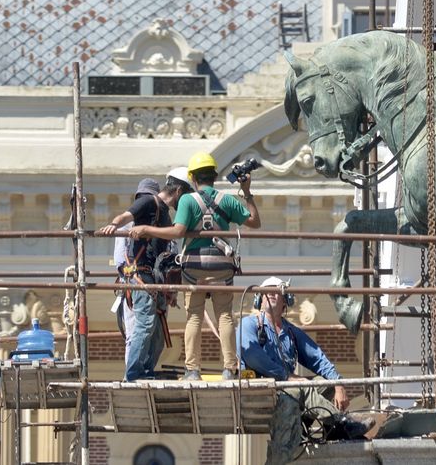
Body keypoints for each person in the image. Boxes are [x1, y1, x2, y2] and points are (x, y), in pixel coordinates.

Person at [130, 151, 261, 380]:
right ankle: (230, 369)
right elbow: (254, 222)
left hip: (194, 267)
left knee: (194, 317)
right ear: (214, 176)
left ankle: (192, 370)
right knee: (225, 316)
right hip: (221, 266)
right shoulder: (227, 200)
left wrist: (146, 229)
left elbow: (178, 231)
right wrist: (247, 192)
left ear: (192, 177)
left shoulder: (187, 200)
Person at [238, 277, 351, 465]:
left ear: (286, 300)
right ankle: (341, 422)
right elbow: (252, 356)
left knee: (324, 384)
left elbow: (317, 358)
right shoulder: (249, 324)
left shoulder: (291, 332)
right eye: (267, 291)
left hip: (289, 391)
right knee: (298, 388)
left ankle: (302, 426)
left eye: (277, 291)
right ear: (259, 299)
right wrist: (287, 376)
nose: (271, 294)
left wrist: (338, 383)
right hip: (262, 391)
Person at [97, 169, 192, 381]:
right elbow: (126, 216)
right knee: (145, 324)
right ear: (178, 191)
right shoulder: (149, 201)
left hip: (155, 277)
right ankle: (133, 374)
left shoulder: (165, 214)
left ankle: (147, 371)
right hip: (141, 273)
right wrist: (113, 225)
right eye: (185, 196)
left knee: (157, 333)